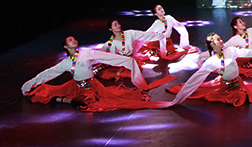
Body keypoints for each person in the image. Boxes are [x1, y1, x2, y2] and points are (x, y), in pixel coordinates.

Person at [21, 36, 169, 111]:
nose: (74, 40)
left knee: (99, 100)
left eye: (74, 39)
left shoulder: (87, 53)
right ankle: (62, 99)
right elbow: (49, 73)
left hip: (92, 85)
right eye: (70, 40)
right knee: (51, 92)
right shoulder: (65, 63)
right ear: (66, 46)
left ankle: (65, 100)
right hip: (75, 86)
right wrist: (29, 84)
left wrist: (126, 60)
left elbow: (107, 57)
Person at [166, 33, 252, 106]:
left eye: (221, 39)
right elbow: (196, 78)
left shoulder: (230, 50)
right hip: (226, 87)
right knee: (241, 97)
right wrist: (178, 99)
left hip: (238, 82)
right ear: (212, 45)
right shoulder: (212, 61)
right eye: (218, 40)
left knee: (246, 93)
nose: (221, 41)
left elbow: (247, 52)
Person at [93, 19, 168, 81]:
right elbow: (100, 53)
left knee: (130, 71)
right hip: (120, 62)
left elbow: (144, 35)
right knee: (101, 70)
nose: (118, 26)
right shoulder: (110, 43)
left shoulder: (130, 34)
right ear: (110, 29)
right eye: (115, 25)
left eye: (118, 24)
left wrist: (159, 36)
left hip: (130, 61)